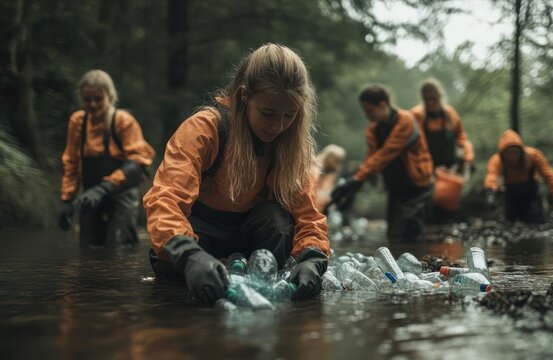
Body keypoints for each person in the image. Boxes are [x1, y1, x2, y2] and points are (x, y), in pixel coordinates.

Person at [143, 44, 330, 305]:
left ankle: (255, 280)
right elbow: (165, 200)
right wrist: (189, 255)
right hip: (200, 239)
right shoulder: (205, 129)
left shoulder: (291, 147)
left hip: (253, 241)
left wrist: (312, 260)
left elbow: (308, 218)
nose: (278, 126)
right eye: (268, 113)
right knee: (170, 265)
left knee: (277, 220)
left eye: (290, 115)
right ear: (244, 96)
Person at [58, 69, 155, 246]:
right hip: (89, 197)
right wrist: (67, 199)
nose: (93, 104)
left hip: (122, 196)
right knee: (88, 248)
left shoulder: (123, 121)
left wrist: (103, 188)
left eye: (98, 99)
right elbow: (71, 162)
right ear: (81, 98)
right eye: (87, 99)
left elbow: (140, 160)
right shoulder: (77, 122)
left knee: (117, 247)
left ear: (109, 97)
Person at [331, 84, 433, 243]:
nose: (367, 116)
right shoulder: (373, 130)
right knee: (393, 233)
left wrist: (358, 179)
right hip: (395, 185)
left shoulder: (405, 120)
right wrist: (355, 181)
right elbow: (371, 158)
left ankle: (420, 261)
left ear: (383, 105)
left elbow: (387, 153)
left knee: (408, 230)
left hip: (416, 185)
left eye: (370, 111)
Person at [484, 129, 553, 224]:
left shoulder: (533, 155)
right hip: (511, 196)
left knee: (537, 223)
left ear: (521, 152)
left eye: (515, 152)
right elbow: (491, 176)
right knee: (512, 224)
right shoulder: (496, 160)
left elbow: (550, 179)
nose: (512, 156)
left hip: (531, 195)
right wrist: (491, 194)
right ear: (503, 155)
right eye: (509, 153)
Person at [410, 78, 474, 174]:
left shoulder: (451, 113)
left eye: (434, 98)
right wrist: (427, 168)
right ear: (423, 99)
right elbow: (417, 146)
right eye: (427, 99)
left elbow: (462, 137)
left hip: (451, 168)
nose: (431, 102)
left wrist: (468, 158)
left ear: (440, 96)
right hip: (426, 169)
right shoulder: (416, 115)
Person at [315, 144, 346, 211]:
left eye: (338, 161)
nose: (336, 164)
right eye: (336, 160)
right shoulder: (315, 168)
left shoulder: (330, 173)